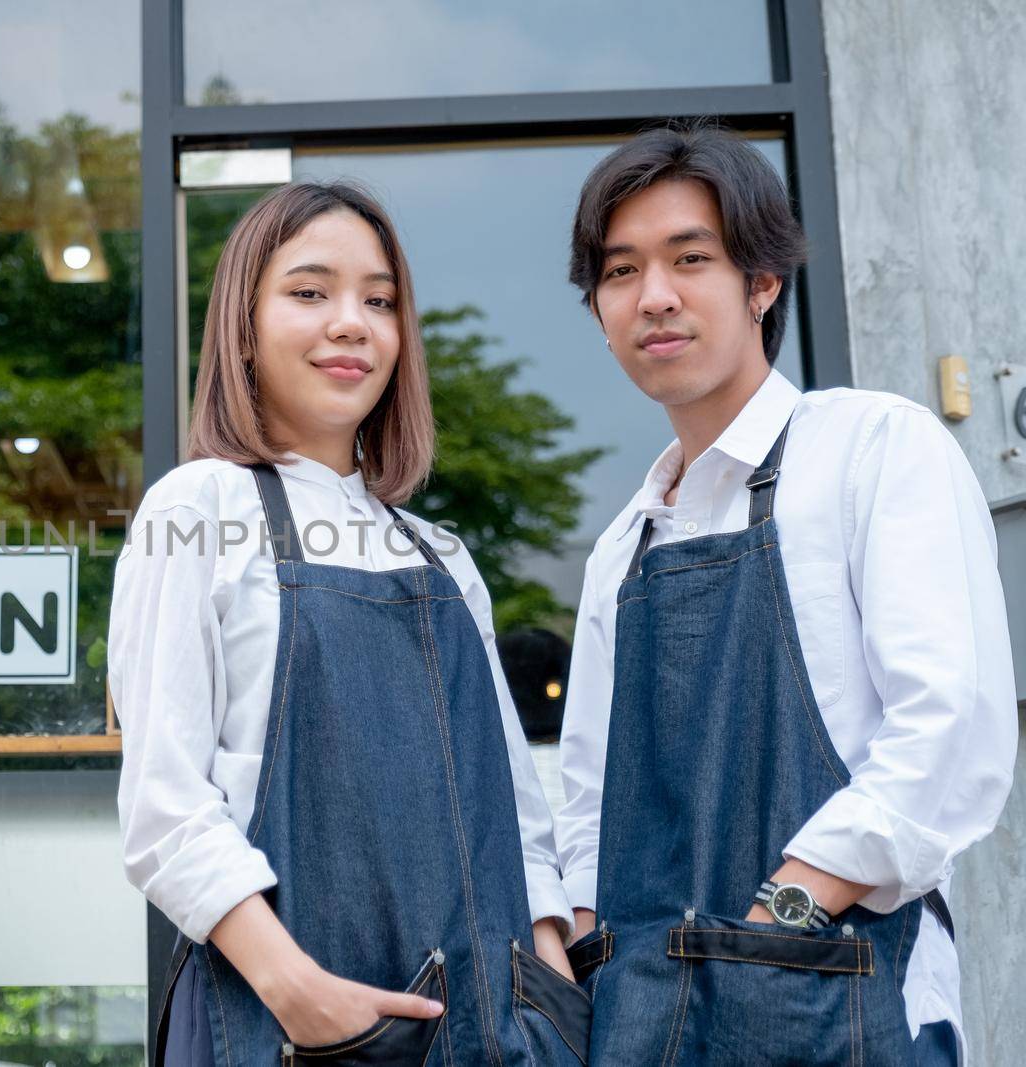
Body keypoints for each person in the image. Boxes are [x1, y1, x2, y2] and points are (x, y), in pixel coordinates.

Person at [555, 123, 1016, 1065]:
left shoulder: (870, 449)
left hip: (836, 997)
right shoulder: (623, 544)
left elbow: (951, 726)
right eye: (620, 271)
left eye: (691, 258)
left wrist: (787, 911)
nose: (655, 297)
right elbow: (587, 803)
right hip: (642, 1024)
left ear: (763, 283)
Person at [109, 181, 587, 1066]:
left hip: (485, 1030)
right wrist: (303, 994)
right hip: (283, 1026)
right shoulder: (198, 508)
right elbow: (164, 810)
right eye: (308, 291)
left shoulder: (442, 555)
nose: (351, 322)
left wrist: (549, 982)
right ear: (242, 328)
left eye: (379, 300)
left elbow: (518, 816)